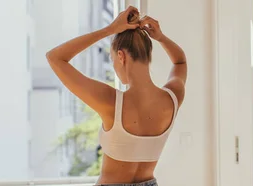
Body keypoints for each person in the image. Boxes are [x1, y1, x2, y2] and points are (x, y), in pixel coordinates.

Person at [46, 6, 186, 186]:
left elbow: (55, 57)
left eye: (112, 60)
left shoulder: (111, 101)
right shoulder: (172, 99)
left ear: (121, 56)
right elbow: (180, 61)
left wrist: (110, 29)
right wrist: (161, 37)